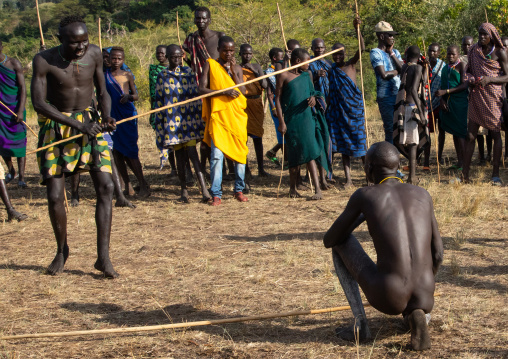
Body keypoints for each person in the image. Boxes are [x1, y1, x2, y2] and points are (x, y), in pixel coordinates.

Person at [323, 141, 443, 351]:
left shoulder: (365, 195)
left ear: (369, 168)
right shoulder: (423, 194)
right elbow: (439, 254)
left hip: (389, 294)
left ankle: (360, 325)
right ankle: (416, 312)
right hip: (426, 293)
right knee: (416, 281)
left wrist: (362, 214)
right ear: (397, 166)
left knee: (341, 243)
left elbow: (330, 239)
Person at [31, 16, 118, 277]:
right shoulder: (43, 60)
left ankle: (103, 257)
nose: (80, 48)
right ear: (61, 40)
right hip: (57, 126)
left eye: (84, 41)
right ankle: (61, 250)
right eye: (73, 43)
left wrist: (107, 116)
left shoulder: (94, 54)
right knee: (56, 195)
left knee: (107, 186)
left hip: (90, 124)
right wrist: (76, 125)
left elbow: (102, 91)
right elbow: (39, 103)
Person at [155, 44, 210, 203]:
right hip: (172, 123)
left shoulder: (188, 73)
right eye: (173, 57)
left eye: (179, 57)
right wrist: (160, 122)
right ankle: (183, 191)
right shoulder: (163, 75)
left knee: (193, 154)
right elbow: (159, 100)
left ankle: (204, 191)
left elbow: (194, 95)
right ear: (167, 57)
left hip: (189, 121)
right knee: (179, 157)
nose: (177, 60)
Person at [199, 36, 249, 206]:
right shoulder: (210, 64)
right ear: (218, 49)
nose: (228, 53)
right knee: (216, 157)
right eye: (225, 50)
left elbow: (243, 90)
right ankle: (216, 194)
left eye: (231, 50)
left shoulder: (237, 67)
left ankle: (239, 189)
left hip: (236, 117)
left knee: (240, 154)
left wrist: (234, 72)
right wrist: (223, 92)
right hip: (219, 117)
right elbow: (201, 89)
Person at [276, 48, 331, 200]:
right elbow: (277, 100)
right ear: (298, 61)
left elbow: (312, 93)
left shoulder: (307, 75)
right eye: (307, 62)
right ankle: (292, 189)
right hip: (292, 120)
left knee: (311, 152)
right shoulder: (283, 75)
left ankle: (317, 190)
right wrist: (281, 122)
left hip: (307, 118)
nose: (309, 64)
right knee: (294, 154)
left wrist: (314, 99)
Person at [462, 23, 508, 185]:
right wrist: (471, 79)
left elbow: (507, 77)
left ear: (492, 36)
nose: (481, 37)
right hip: (476, 95)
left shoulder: (500, 52)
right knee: (470, 135)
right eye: (479, 34)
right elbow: (467, 72)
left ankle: (495, 174)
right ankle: (464, 175)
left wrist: (490, 79)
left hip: (493, 97)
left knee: (495, 134)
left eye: (484, 34)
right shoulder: (474, 51)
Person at [183, 6, 225, 174]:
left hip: (218, 86)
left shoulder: (220, 37)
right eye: (197, 18)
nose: (200, 21)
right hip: (199, 87)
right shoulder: (191, 40)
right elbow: (193, 65)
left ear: (209, 20)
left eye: (203, 18)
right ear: (194, 20)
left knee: (219, 125)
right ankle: (204, 167)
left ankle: (226, 167)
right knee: (202, 126)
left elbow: (226, 59)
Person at [326, 19, 367, 188]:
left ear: (344, 53)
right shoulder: (331, 71)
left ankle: (368, 176)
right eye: (334, 54)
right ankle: (348, 179)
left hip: (354, 111)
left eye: (340, 54)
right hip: (339, 113)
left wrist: (357, 29)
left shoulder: (351, 64)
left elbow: (362, 49)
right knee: (343, 146)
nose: (337, 57)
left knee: (362, 143)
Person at [106, 47, 150, 197]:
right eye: (113, 58)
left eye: (119, 59)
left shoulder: (127, 75)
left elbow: (136, 95)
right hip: (112, 116)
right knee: (117, 152)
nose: (116, 61)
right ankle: (128, 186)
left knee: (131, 151)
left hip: (127, 115)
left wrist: (129, 97)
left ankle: (143, 184)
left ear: (123, 60)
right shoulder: (103, 75)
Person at [392, 45, 429, 184]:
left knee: (411, 141)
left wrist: (425, 68)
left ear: (406, 57)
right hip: (413, 107)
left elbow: (423, 81)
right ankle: (411, 177)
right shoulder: (417, 68)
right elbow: (414, 89)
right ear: (419, 57)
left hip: (405, 107)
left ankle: (411, 175)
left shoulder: (406, 68)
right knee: (413, 143)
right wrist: (421, 111)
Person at [435, 45, 468, 170]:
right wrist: (442, 99)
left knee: (460, 133)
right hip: (448, 103)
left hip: (459, 103)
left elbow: (464, 85)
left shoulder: (462, 66)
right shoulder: (445, 68)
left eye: (453, 54)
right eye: (449, 54)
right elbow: (442, 86)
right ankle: (459, 162)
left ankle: (465, 163)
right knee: (454, 132)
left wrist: (446, 92)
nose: (451, 56)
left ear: (458, 54)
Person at [0, 41, 28, 188]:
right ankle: (12, 171)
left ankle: (22, 177)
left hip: (16, 108)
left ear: (1, 47)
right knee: (2, 142)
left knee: (19, 143)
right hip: (1, 110)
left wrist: (20, 110)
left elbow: (23, 87)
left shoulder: (13, 63)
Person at [370, 21, 403, 145]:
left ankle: (396, 157)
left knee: (400, 128)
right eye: (390, 35)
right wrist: (397, 71)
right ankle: (390, 160)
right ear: (381, 36)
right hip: (386, 97)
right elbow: (384, 75)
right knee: (390, 129)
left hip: (399, 95)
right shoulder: (375, 52)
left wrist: (392, 54)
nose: (392, 38)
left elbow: (403, 69)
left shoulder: (396, 52)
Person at [239, 43, 268, 177]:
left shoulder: (256, 67)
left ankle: (261, 168)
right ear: (240, 54)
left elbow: (265, 85)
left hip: (256, 104)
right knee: (243, 138)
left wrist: (254, 71)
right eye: (245, 53)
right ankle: (245, 169)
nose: (247, 56)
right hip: (243, 103)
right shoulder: (237, 68)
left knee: (258, 137)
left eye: (250, 53)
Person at [462, 36, 489, 165]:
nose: (467, 47)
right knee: (473, 132)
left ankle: (486, 156)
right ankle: (478, 157)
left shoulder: (481, 57)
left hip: (484, 97)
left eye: (469, 45)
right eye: (465, 45)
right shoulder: (462, 60)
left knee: (486, 131)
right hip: (470, 98)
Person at [149, 45, 173, 173]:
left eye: (162, 53)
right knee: (162, 137)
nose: (160, 55)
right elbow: (152, 90)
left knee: (173, 139)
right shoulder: (153, 70)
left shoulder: (174, 70)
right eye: (158, 53)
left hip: (172, 108)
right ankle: (171, 166)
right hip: (158, 107)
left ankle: (177, 168)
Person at [424, 43, 445, 169]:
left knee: (441, 131)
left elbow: (445, 84)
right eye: (430, 51)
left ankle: (440, 156)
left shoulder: (443, 66)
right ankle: (425, 160)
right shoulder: (424, 65)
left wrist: (443, 98)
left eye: (434, 51)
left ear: (438, 53)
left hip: (439, 103)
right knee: (426, 133)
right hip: (426, 104)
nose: (432, 53)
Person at [265, 47, 285, 165]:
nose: (282, 60)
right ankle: (286, 159)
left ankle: (273, 151)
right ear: (274, 58)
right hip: (276, 105)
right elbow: (269, 93)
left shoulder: (283, 68)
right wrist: (273, 108)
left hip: (283, 103)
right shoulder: (269, 72)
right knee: (281, 132)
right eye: (281, 58)